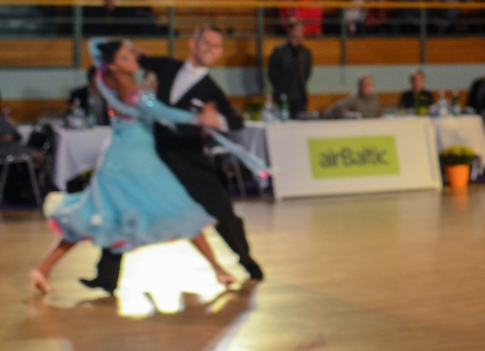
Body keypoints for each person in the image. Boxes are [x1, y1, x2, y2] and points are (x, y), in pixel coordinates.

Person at [31, 39, 241, 294]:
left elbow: (97, 47)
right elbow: (167, 113)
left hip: (116, 163)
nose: (133, 59)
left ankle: (43, 269)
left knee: (91, 219)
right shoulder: (136, 94)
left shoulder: (109, 86)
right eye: (125, 57)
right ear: (113, 66)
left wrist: (123, 51)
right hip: (138, 166)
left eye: (130, 54)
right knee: (181, 211)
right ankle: (218, 269)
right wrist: (199, 117)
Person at [80, 28, 264, 294]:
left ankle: (249, 265)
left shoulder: (211, 89)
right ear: (193, 44)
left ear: (220, 52)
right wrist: (129, 50)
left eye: (216, 46)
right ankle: (106, 277)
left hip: (189, 159)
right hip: (152, 155)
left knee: (223, 213)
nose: (210, 49)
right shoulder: (166, 66)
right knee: (125, 209)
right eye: (206, 43)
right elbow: (122, 57)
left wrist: (217, 120)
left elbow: (235, 121)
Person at [268, 19, 312, 118]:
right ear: (290, 31)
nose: (300, 33)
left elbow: (307, 73)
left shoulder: (306, 53)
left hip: (300, 97)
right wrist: (280, 89)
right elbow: (272, 73)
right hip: (283, 96)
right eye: (297, 30)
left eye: (301, 31)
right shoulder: (279, 51)